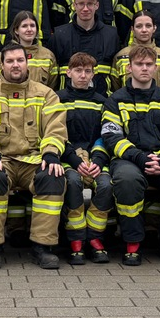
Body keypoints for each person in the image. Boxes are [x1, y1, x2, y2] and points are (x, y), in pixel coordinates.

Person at [0, 43, 69, 269]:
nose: (16, 65)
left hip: (34, 160)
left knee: (53, 178)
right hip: (1, 159)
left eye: (20, 60)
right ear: (1, 66)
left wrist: (51, 155)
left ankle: (42, 247)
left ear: (27, 63)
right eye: (10, 61)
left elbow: (55, 128)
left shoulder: (46, 94)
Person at [103, 45, 160, 266]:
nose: (144, 68)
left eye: (149, 65)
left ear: (155, 68)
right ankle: (132, 243)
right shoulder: (115, 100)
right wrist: (140, 158)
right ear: (129, 67)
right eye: (139, 64)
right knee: (126, 180)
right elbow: (111, 138)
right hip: (129, 160)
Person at [54, 53, 112, 265]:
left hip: (96, 160)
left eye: (87, 71)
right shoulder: (58, 99)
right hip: (68, 160)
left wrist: (97, 160)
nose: (83, 75)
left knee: (106, 185)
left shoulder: (103, 102)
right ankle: (76, 241)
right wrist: (76, 161)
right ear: (68, 72)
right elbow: (55, 135)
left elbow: (106, 136)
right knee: (73, 183)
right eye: (78, 71)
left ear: (93, 75)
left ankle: (95, 238)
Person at [46, 0, 120, 94]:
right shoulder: (59, 35)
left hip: (102, 101)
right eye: (81, 4)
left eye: (90, 4)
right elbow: (52, 76)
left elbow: (115, 77)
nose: (85, 9)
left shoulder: (111, 35)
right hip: (66, 102)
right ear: (74, 5)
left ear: (97, 5)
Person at [112, 10, 160, 92]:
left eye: (148, 26)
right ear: (132, 29)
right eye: (139, 26)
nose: (144, 30)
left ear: (154, 28)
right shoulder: (120, 57)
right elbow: (116, 88)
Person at [6, 11, 57, 89]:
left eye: (32, 26)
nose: (29, 29)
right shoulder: (4, 56)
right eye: (24, 26)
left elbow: (52, 86)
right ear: (16, 30)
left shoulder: (48, 55)